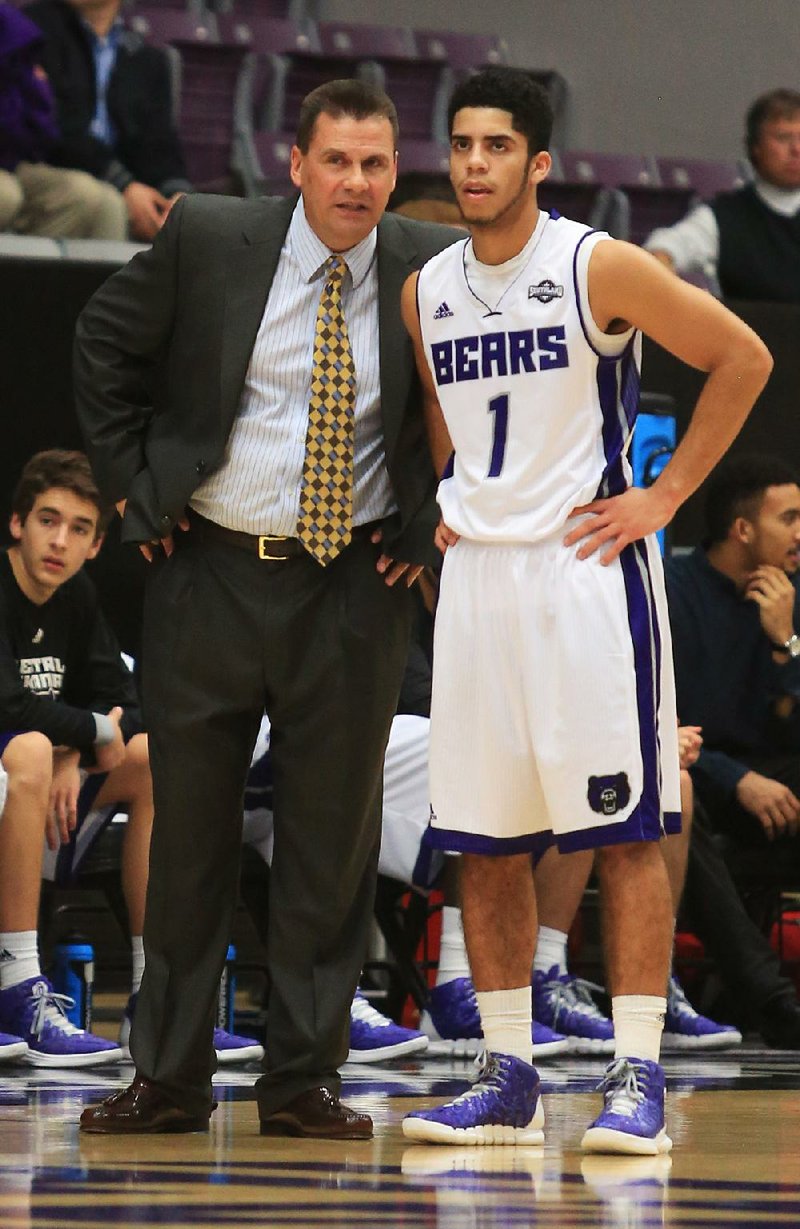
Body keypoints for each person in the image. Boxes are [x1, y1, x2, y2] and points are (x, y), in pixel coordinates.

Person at [73, 79, 461, 1138]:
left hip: (351, 588)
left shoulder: (434, 257)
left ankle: (299, 1078)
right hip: (211, 572)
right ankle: (167, 1076)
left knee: (329, 851)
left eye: (375, 163)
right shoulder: (209, 235)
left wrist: (426, 517)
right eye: (335, 160)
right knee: (191, 839)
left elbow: (474, 401)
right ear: (294, 164)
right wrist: (131, 487)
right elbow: (103, 345)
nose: (355, 182)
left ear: (394, 170)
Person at [399, 66, 771, 1154]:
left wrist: (662, 496)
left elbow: (739, 356)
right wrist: (450, 496)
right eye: (461, 144)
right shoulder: (426, 288)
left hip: (583, 576)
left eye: (495, 146)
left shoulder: (592, 263)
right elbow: (436, 401)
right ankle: (507, 1073)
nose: (473, 163)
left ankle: (636, 1074)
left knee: (624, 832)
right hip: (479, 582)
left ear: (537, 160)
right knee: (487, 839)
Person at [0, 449, 139, 1066]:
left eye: (79, 529)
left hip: (36, 769)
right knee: (30, 749)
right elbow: (8, 707)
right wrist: (85, 734)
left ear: (96, 545)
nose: (59, 541)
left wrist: (76, 758)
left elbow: (124, 702)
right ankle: (17, 980)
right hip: (16, 762)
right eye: (47, 520)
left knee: (148, 757)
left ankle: (153, 994)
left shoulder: (77, 595)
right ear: (16, 523)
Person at [665, 453, 800, 1045]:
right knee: (676, 799)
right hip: (698, 771)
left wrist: (785, 645)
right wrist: (736, 779)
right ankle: (770, 1000)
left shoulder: (789, 597)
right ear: (743, 530)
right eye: (790, 519)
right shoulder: (674, 590)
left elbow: (787, 730)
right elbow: (667, 723)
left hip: (768, 777)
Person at [24, 0, 191, 241]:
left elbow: (159, 142)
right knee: (108, 205)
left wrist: (175, 195)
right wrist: (124, 184)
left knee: (188, 220)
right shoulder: (35, 29)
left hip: (118, 181)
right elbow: (55, 127)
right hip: (46, 166)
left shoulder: (145, 57)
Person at [645, 88, 800, 302]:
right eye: (783, 138)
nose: (796, 149)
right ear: (756, 147)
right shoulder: (723, 217)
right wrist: (661, 264)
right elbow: (665, 247)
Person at [0, 3, 126, 238]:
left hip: (12, 156)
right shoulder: (43, 20)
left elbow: (41, 121)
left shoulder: (13, 24)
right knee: (5, 195)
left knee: (104, 203)